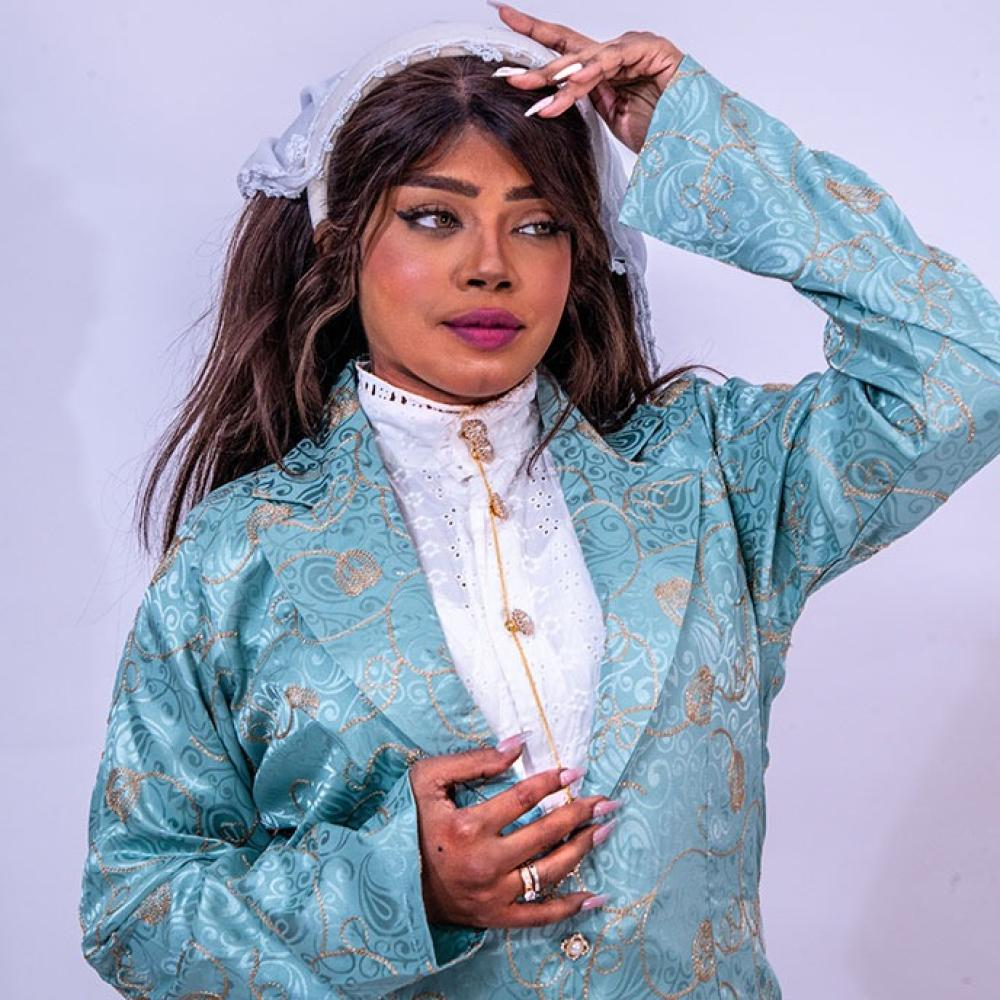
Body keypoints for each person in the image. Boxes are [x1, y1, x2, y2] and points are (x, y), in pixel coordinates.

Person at [78, 5, 1000, 998]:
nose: (491, 264)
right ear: (340, 242)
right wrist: (397, 887)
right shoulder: (240, 552)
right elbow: (135, 911)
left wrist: (702, 136)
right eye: (435, 216)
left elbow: (964, 371)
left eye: (538, 224)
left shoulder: (710, 480)